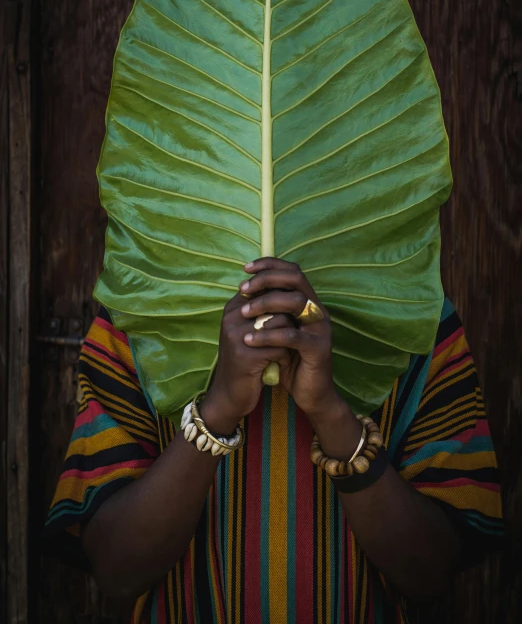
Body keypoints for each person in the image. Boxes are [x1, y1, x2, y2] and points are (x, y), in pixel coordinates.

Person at [43, 257, 502, 623]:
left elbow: (433, 571)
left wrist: (330, 412)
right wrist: (216, 410)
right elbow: (116, 568)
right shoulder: (139, 308)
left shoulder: (414, 314)